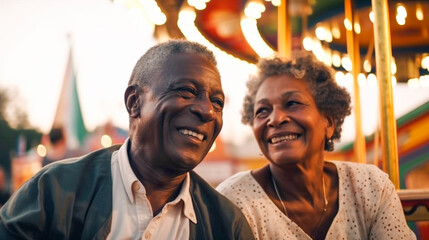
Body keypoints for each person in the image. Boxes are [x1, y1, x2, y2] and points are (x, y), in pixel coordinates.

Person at [0, 39, 254, 240]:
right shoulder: (55, 192)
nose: (207, 110)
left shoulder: (227, 225)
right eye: (186, 91)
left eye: (217, 102)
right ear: (134, 103)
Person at [216, 52, 416, 239]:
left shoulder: (370, 187)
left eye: (292, 103)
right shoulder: (234, 200)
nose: (275, 119)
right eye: (262, 111)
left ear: (328, 122)